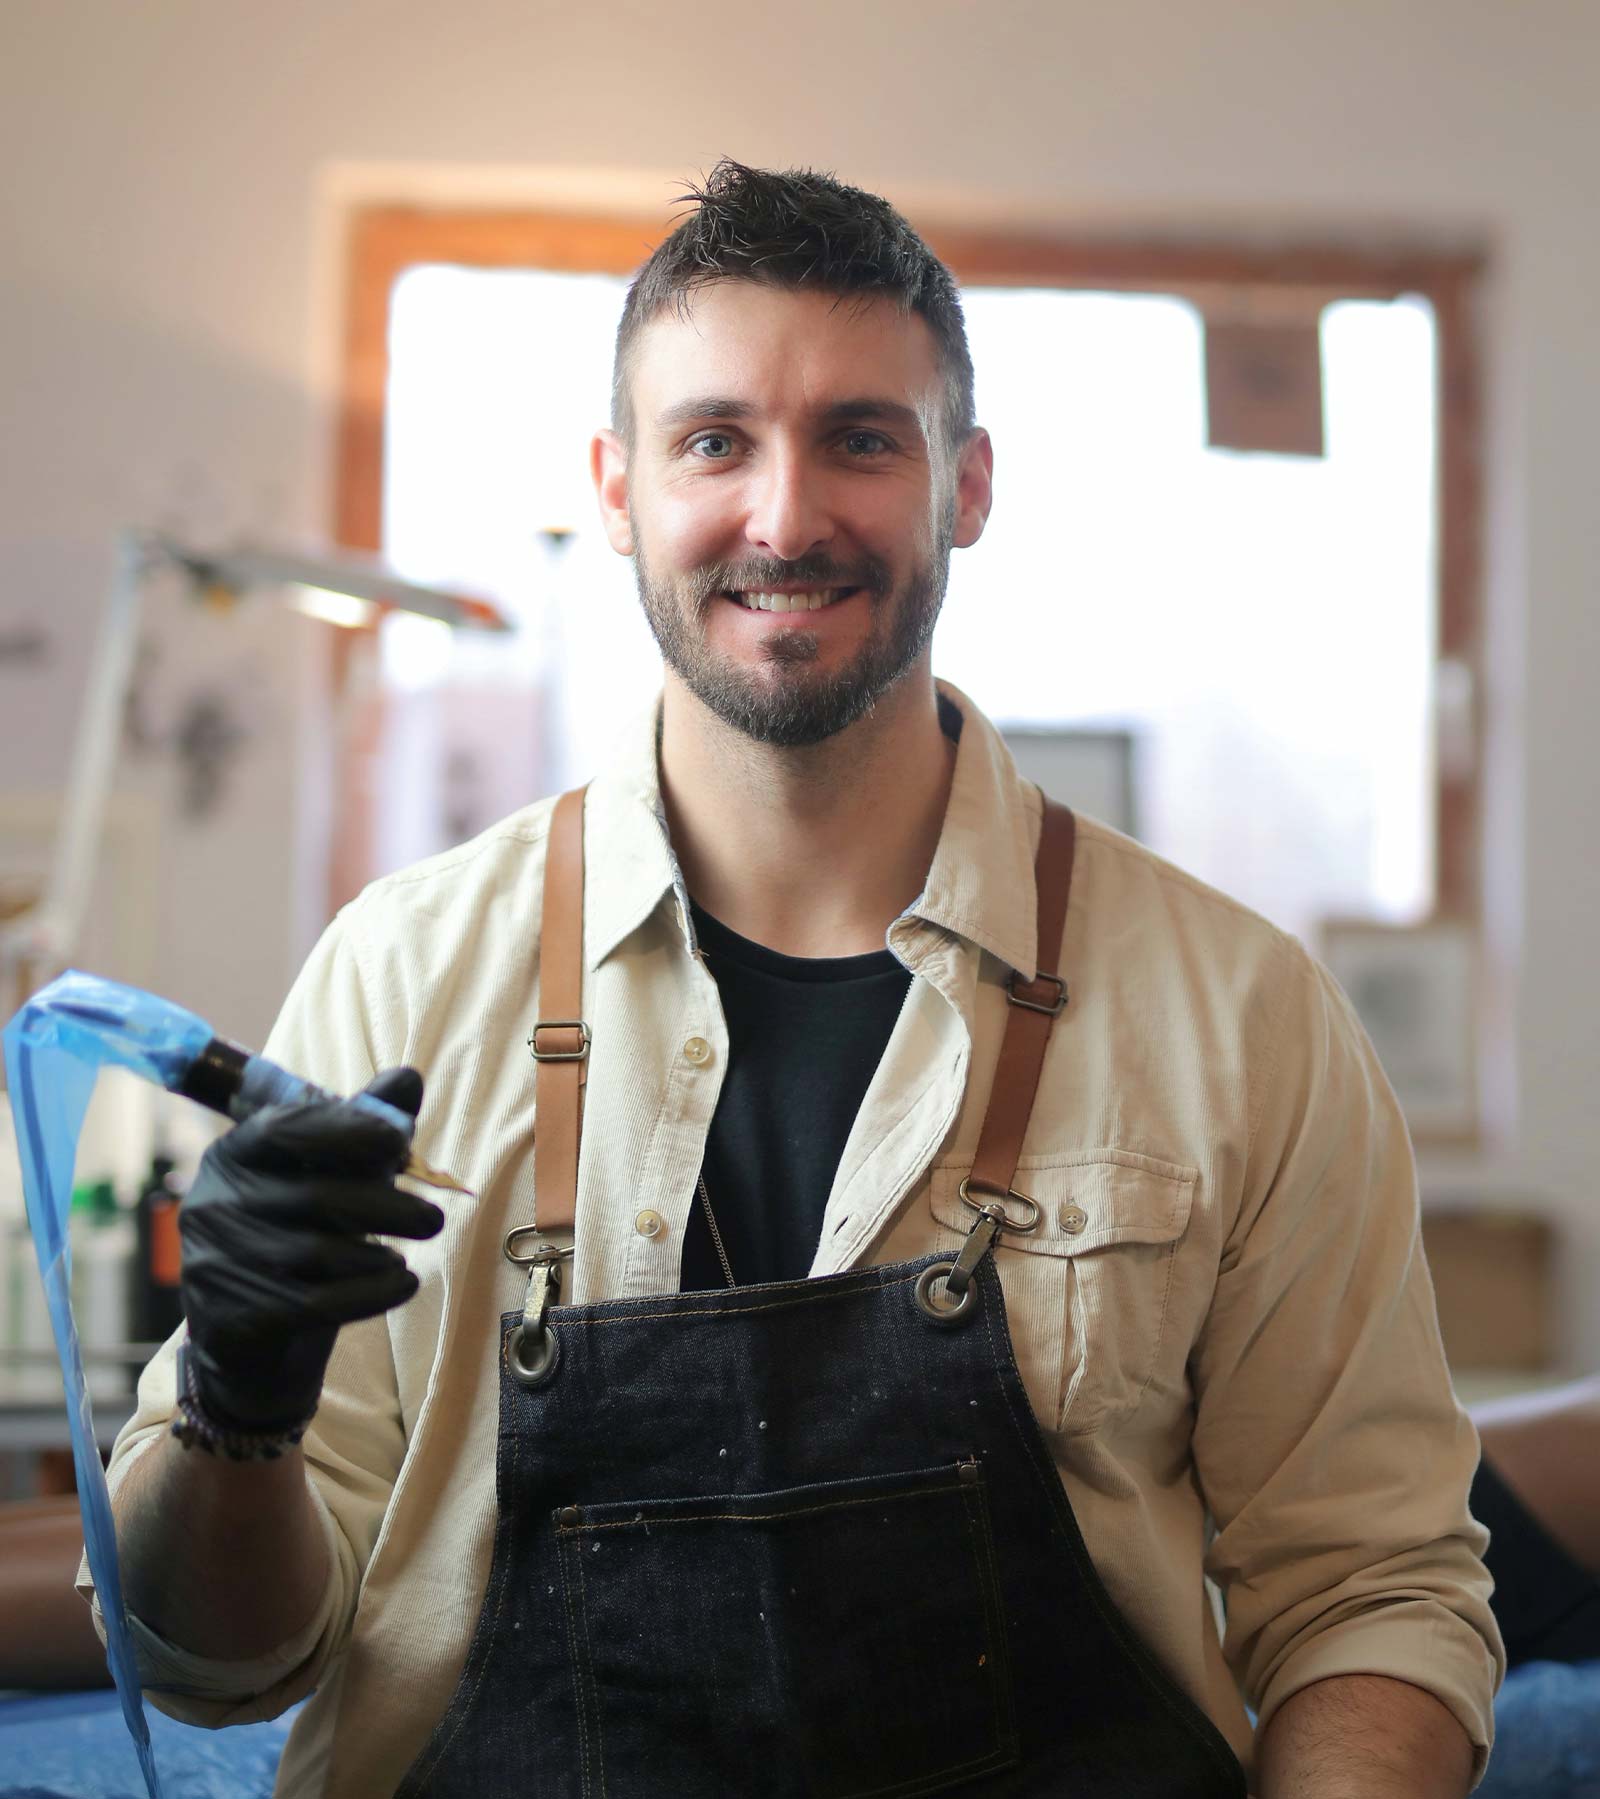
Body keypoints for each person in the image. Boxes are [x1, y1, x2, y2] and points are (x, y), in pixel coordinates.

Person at [88, 161, 1502, 1797]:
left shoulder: (1240, 1017)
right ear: (615, 491)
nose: (783, 515)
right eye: (714, 442)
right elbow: (215, 1662)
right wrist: (240, 1415)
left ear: (965, 483)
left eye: (860, 438)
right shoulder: (399, 981)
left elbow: (1372, 1601)